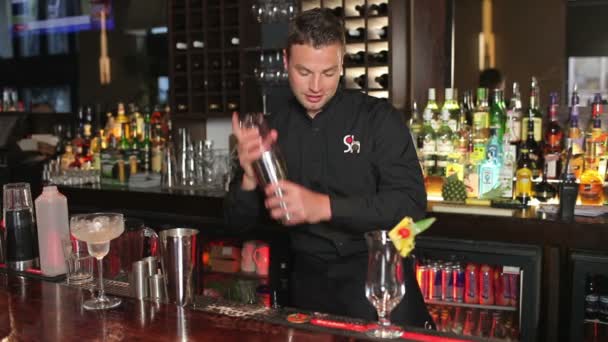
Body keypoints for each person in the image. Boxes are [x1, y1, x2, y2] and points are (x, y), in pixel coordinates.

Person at [225, 8, 433, 329]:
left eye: (328, 72)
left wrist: (323, 207)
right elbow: (235, 225)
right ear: (285, 62)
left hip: (376, 279)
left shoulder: (377, 119)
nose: (316, 86)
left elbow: (411, 206)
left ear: (342, 64)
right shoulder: (273, 128)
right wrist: (250, 178)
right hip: (307, 286)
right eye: (304, 71)